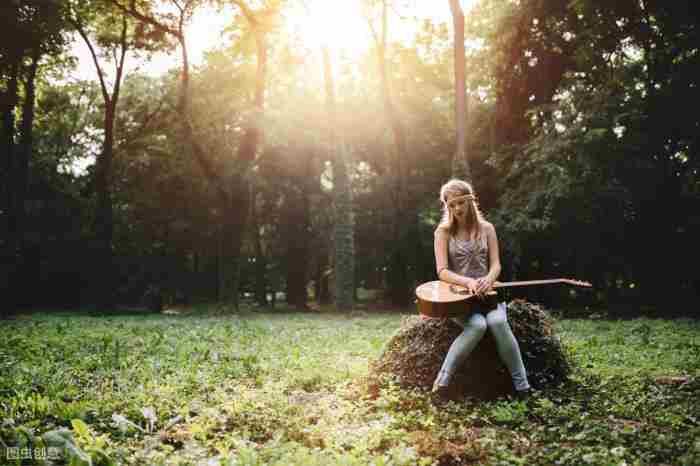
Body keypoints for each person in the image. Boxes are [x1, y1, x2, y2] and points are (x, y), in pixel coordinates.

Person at [431, 178, 532, 398]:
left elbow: (496, 264)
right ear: (447, 206)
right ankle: (441, 384)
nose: (457, 208)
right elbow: (442, 271)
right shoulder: (443, 232)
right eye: (451, 205)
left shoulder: (487, 228)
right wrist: (468, 282)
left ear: (470, 201)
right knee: (477, 325)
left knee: (496, 321)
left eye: (460, 202)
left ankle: (523, 387)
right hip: (458, 297)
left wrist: (488, 279)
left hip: (489, 294)